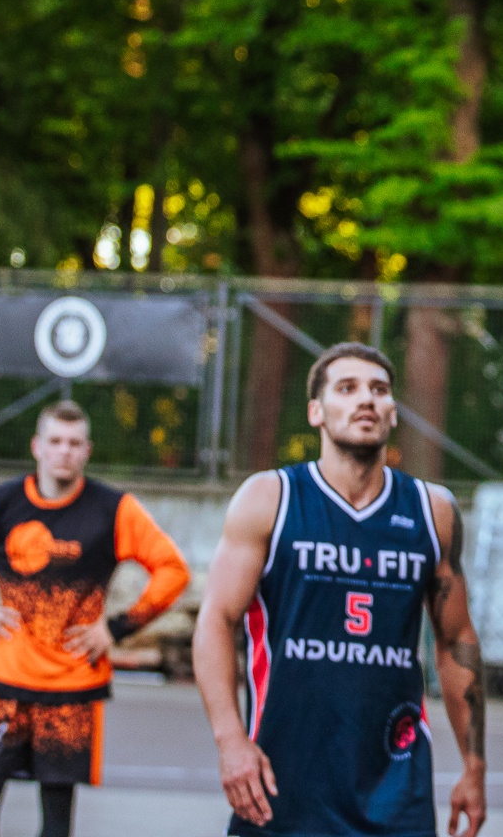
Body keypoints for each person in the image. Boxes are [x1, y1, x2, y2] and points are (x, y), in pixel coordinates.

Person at [193, 344, 487, 837]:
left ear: (393, 412)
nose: (366, 399)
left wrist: (474, 767)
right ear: (316, 411)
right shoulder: (270, 498)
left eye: (379, 389)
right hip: (280, 773)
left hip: (395, 780)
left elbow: (457, 640)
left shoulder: (432, 511)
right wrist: (230, 741)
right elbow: (216, 620)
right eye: (347, 388)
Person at [0, 400, 191, 837]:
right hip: (6, 679)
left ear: (87, 451)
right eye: (55, 441)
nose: (64, 451)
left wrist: (116, 628)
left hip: (72, 685)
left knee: (56, 812)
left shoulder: (114, 509)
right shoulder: (1, 503)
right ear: (37, 446)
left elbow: (172, 569)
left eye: (74, 443)